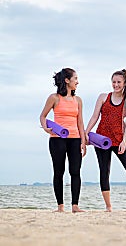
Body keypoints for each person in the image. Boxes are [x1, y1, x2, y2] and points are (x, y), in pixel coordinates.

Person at [85, 69, 126, 212]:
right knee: (104, 171)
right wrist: (86, 133)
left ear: (124, 83)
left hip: (119, 140)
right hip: (102, 140)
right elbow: (95, 117)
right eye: (114, 82)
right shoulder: (103, 97)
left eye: (119, 82)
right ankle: (108, 206)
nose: (116, 85)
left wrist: (124, 140)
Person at [39, 68, 86, 213]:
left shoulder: (78, 100)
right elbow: (43, 116)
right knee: (59, 172)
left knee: (75, 171)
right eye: (75, 79)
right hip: (57, 139)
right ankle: (60, 206)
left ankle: (75, 206)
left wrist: (83, 141)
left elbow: (80, 122)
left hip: (75, 139)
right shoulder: (54, 98)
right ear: (67, 80)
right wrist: (46, 128)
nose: (77, 82)